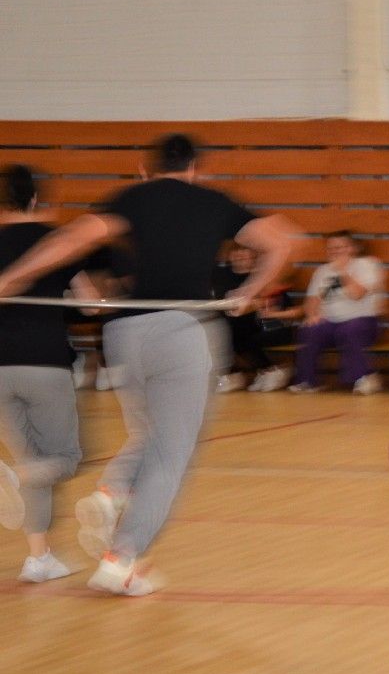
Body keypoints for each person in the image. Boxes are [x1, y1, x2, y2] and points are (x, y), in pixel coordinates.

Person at [0, 134, 294, 596]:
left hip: (123, 336)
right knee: (170, 453)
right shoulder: (215, 200)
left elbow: (73, 239)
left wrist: (11, 279)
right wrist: (250, 291)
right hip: (183, 330)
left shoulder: (131, 197)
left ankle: (111, 494)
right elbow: (284, 240)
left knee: (147, 435)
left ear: (146, 169)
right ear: (195, 168)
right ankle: (121, 558)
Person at [0, 164, 89, 582]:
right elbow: (91, 303)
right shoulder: (56, 243)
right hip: (45, 364)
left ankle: (39, 558)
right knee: (64, 459)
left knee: (34, 461)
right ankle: (12, 477)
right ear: (35, 199)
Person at [290, 230, 384, 394]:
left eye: (340, 247)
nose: (335, 252)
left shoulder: (368, 265)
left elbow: (357, 294)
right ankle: (307, 380)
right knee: (310, 330)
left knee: (348, 330)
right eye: (331, 248)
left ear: (352, 248)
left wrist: (342, 272)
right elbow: (311, 302)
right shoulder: (322, 271)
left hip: (363, 322)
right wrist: (312, 315)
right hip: (331, 323)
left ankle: (364, 378)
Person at [212, 243, 299, 393]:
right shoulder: (221, 275)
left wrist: (260, 304)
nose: (240, 255)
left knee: (235, 330)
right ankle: (258, 371)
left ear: (254, 256)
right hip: (235, 322)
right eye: (236, 252)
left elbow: (278, 304)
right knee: (226, 328)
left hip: (262, 324)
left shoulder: (263, 278)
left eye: (245, 251)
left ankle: (255, 372)